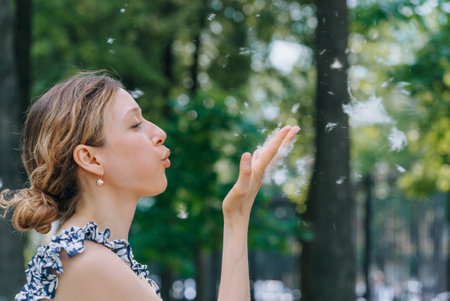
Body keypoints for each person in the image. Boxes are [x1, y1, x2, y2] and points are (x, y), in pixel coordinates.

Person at [0, 71, 300, 301]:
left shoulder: (82, 253)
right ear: (90, 158)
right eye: (135, 125)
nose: (159, 133)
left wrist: (237, 216)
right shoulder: (88, 262)